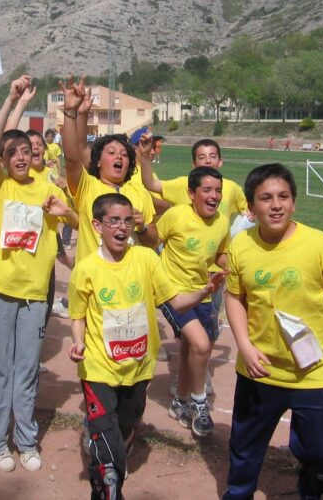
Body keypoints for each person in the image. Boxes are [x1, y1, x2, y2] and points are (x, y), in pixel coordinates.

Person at [223, 163, 323, 500]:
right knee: (244, 449)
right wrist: (245, 346)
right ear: (251, 207)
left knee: (320, 452)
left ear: (294, 202)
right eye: (266, 198)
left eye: (283, 197)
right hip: (260, 369)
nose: (276, 205)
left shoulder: (318, 244)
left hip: (313, 372)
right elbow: (235, 297)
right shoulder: (241, 245)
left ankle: (310, 486)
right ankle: (238, 494)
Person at [68, 193, 225, 500]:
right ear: (97, 226)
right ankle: (106, 488)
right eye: (114, 221)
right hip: (98, 366)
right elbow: (78, 316)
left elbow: (176, 301)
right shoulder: (85, 269)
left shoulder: (147, 259)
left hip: (139, 366)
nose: (122, 227)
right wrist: (77, 343)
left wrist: (204, 290)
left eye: (128, 220)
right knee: (104, 434)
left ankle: (113, 466)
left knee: (125, 425)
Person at [0, 76, 77, 472]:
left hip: (36, 294)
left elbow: (76, 223)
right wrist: (12, 99)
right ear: (3, 160)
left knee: (26, 368)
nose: (20, 157)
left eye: (26, 151)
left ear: (35, 155)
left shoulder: (47, 187)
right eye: (12, 152)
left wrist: (65, 213)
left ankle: (26, 439)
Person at [154, 167, 230, 437]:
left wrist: (233, 266)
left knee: (192, 349)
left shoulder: (222, 221)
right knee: (201, 344)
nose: (214, 196)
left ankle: (178, 403)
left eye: (218, 190)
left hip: (204, 292)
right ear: (191, 193)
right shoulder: (175, 215)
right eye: (207, 190)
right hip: (173, 294)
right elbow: (153, 240)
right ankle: (200, 404)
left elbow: (221, 254)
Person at [58, 76, 158, 262]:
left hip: (129, 283)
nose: (119, 156)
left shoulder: (139, 192)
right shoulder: (88, 187)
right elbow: (72, 157)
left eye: (124, 154)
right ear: (97, 161)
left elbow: (153, 241)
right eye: (111, 152)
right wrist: (71, 112)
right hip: (93, 284)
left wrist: (142, 227)